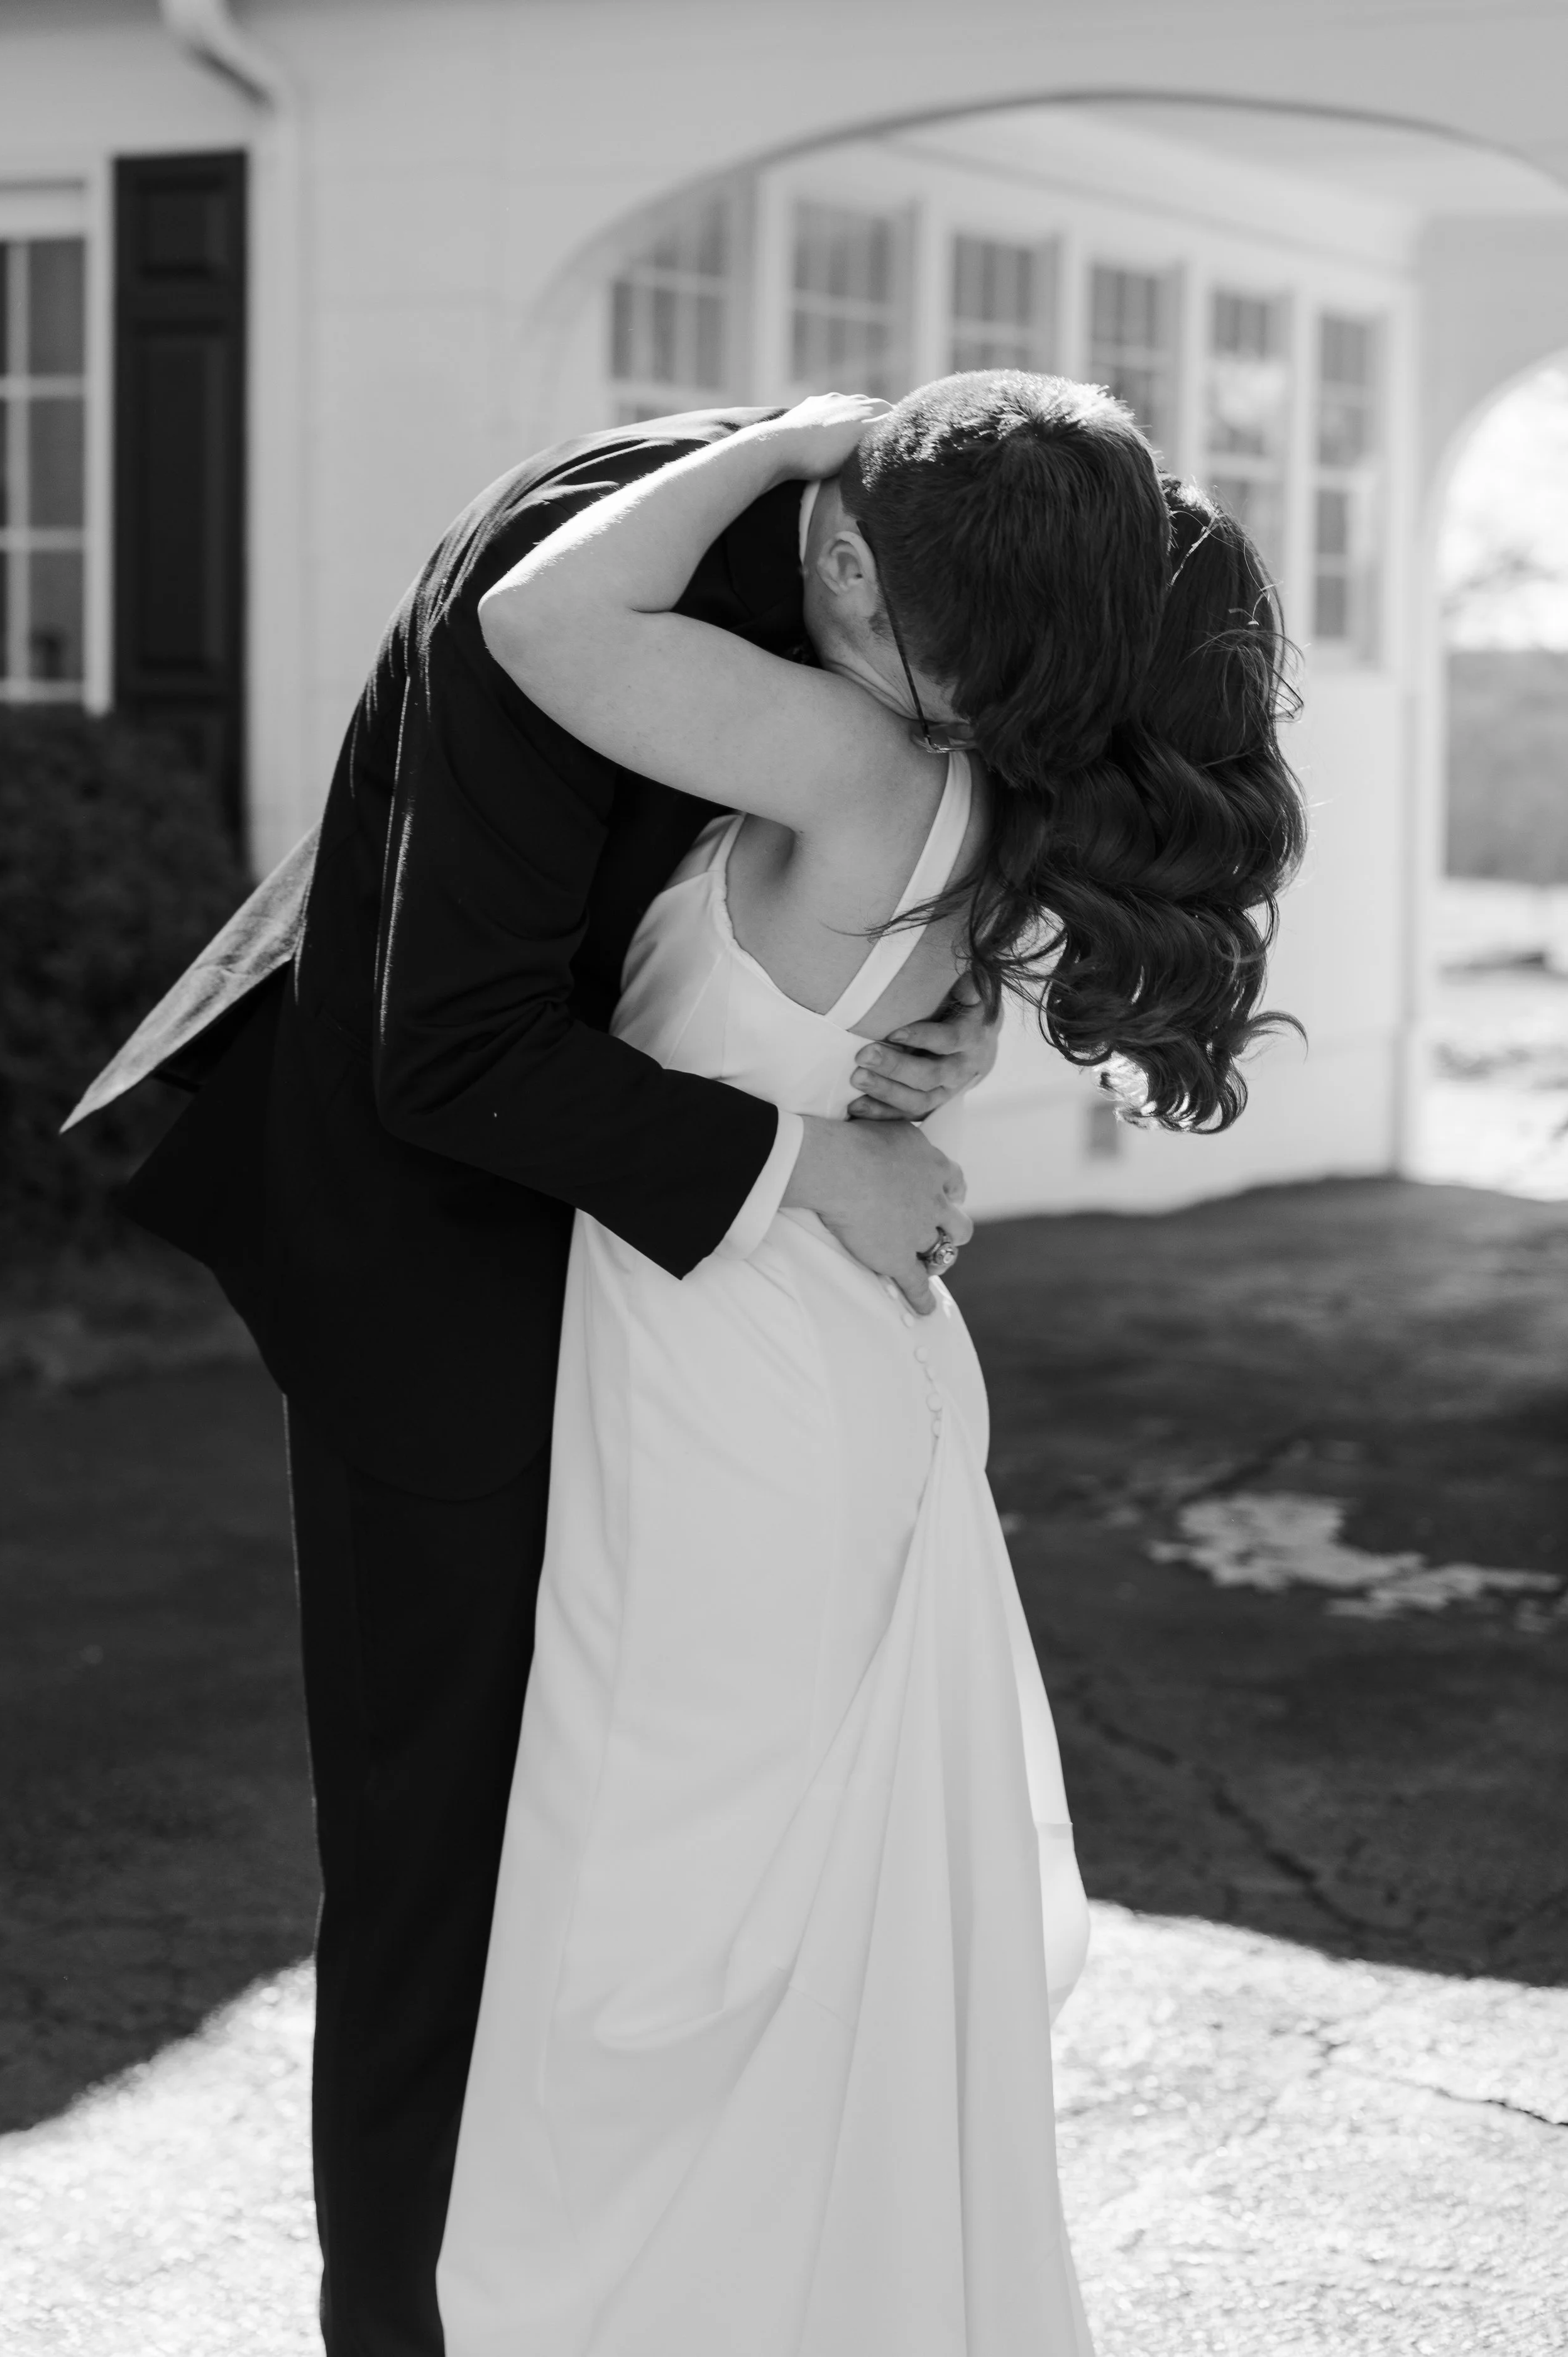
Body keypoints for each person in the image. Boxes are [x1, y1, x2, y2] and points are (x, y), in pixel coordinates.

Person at [74, 375, 1178, 2354]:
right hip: (454, 1273)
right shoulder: (587, 570)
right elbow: (455, 1052)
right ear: (839, 551)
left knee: (656, 1888)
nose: (956, 725)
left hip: (704, 1332)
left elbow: (851, 875)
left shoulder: (900, 660)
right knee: (458, 1880)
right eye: (938, 676)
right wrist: (814, 1136)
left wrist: (893, 1040)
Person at [434, 391, 1305, 2352]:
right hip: (826, 1355)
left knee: (658, 1904)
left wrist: (766, 451)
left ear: (873, 574)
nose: (824, 549)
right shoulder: (992, 789)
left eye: (848, 541)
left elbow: (537, 625)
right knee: (777, 1904)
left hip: (734, 1372)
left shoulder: (848, 754)